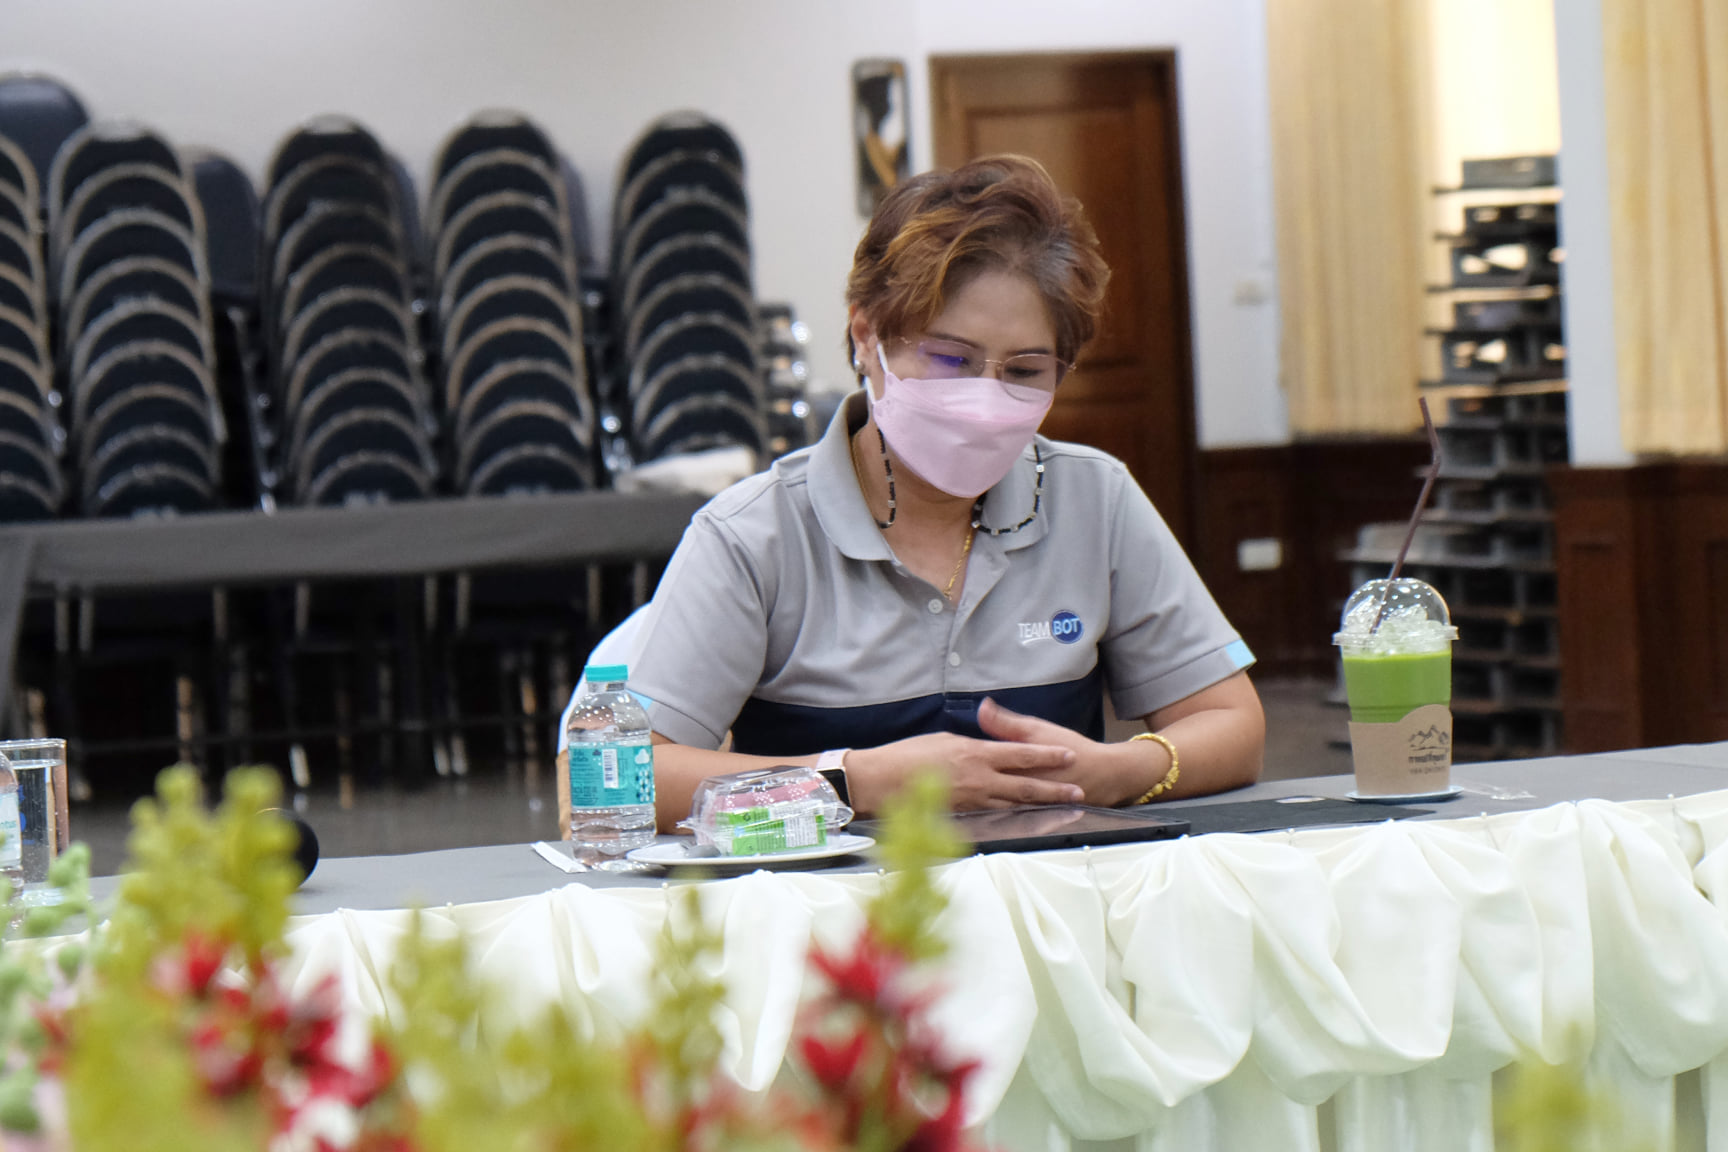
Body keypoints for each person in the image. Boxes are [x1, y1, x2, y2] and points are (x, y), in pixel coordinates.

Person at [629, 154, 1265, 830]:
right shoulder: (755, 535)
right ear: (867, 335)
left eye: (1024, 370)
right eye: (950, 359)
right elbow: (621, 784)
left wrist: (1120, 771)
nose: (985, 399)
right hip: (835, 919)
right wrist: (855, 780)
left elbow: (1232, 724)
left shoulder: (1093, 498)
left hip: (1054, 909)